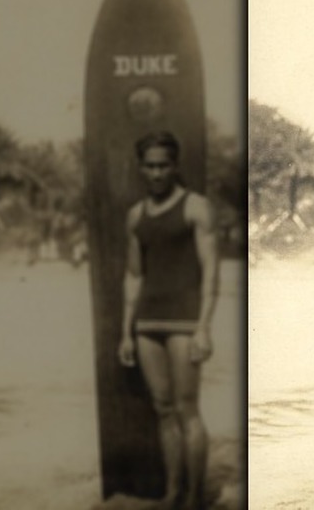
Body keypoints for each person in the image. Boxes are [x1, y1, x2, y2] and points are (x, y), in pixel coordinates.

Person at [117, 131, 218, 510]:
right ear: (141, 168)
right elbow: (134, 275)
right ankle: (172, 493)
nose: (157, 172)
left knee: (187, 408)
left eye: (163, 165)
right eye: (150, 165)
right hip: (147, 325)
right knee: (162, 409)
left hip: (184, 322)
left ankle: (195, 497)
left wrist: (204, 326)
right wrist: (126, 332)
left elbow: (210, 271)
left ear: (174, 166)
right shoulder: (136, 216)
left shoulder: (196, 208)